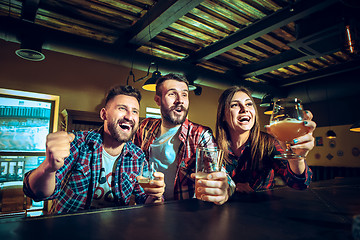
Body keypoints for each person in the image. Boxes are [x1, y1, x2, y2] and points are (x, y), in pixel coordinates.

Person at [23, 85, 165, 214]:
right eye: (122, 108)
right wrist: (48, 167)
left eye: (134, 111)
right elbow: (38, 193)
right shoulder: (79, 143)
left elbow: (144, 201)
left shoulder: (138, 156)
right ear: (104, 114)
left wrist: (155, 196)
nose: (129, 116)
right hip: (68, 230)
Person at [134, 73, 235, 205]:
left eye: (184, 94)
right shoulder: (145, 127)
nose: (180, 100)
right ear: (158, 100)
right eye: (172, 94)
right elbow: (133, 166)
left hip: (184, 213)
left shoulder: (200, 134)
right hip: (150, 208)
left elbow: (222, 176)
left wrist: (225, 189)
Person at [215, 86, 316, 193]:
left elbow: (299, 184)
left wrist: (297, 158)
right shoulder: (213, 147)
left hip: (262, 208)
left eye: (249, 104)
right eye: (234, 105)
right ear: (223, 116)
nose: (244, 109)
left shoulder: (268, 142)